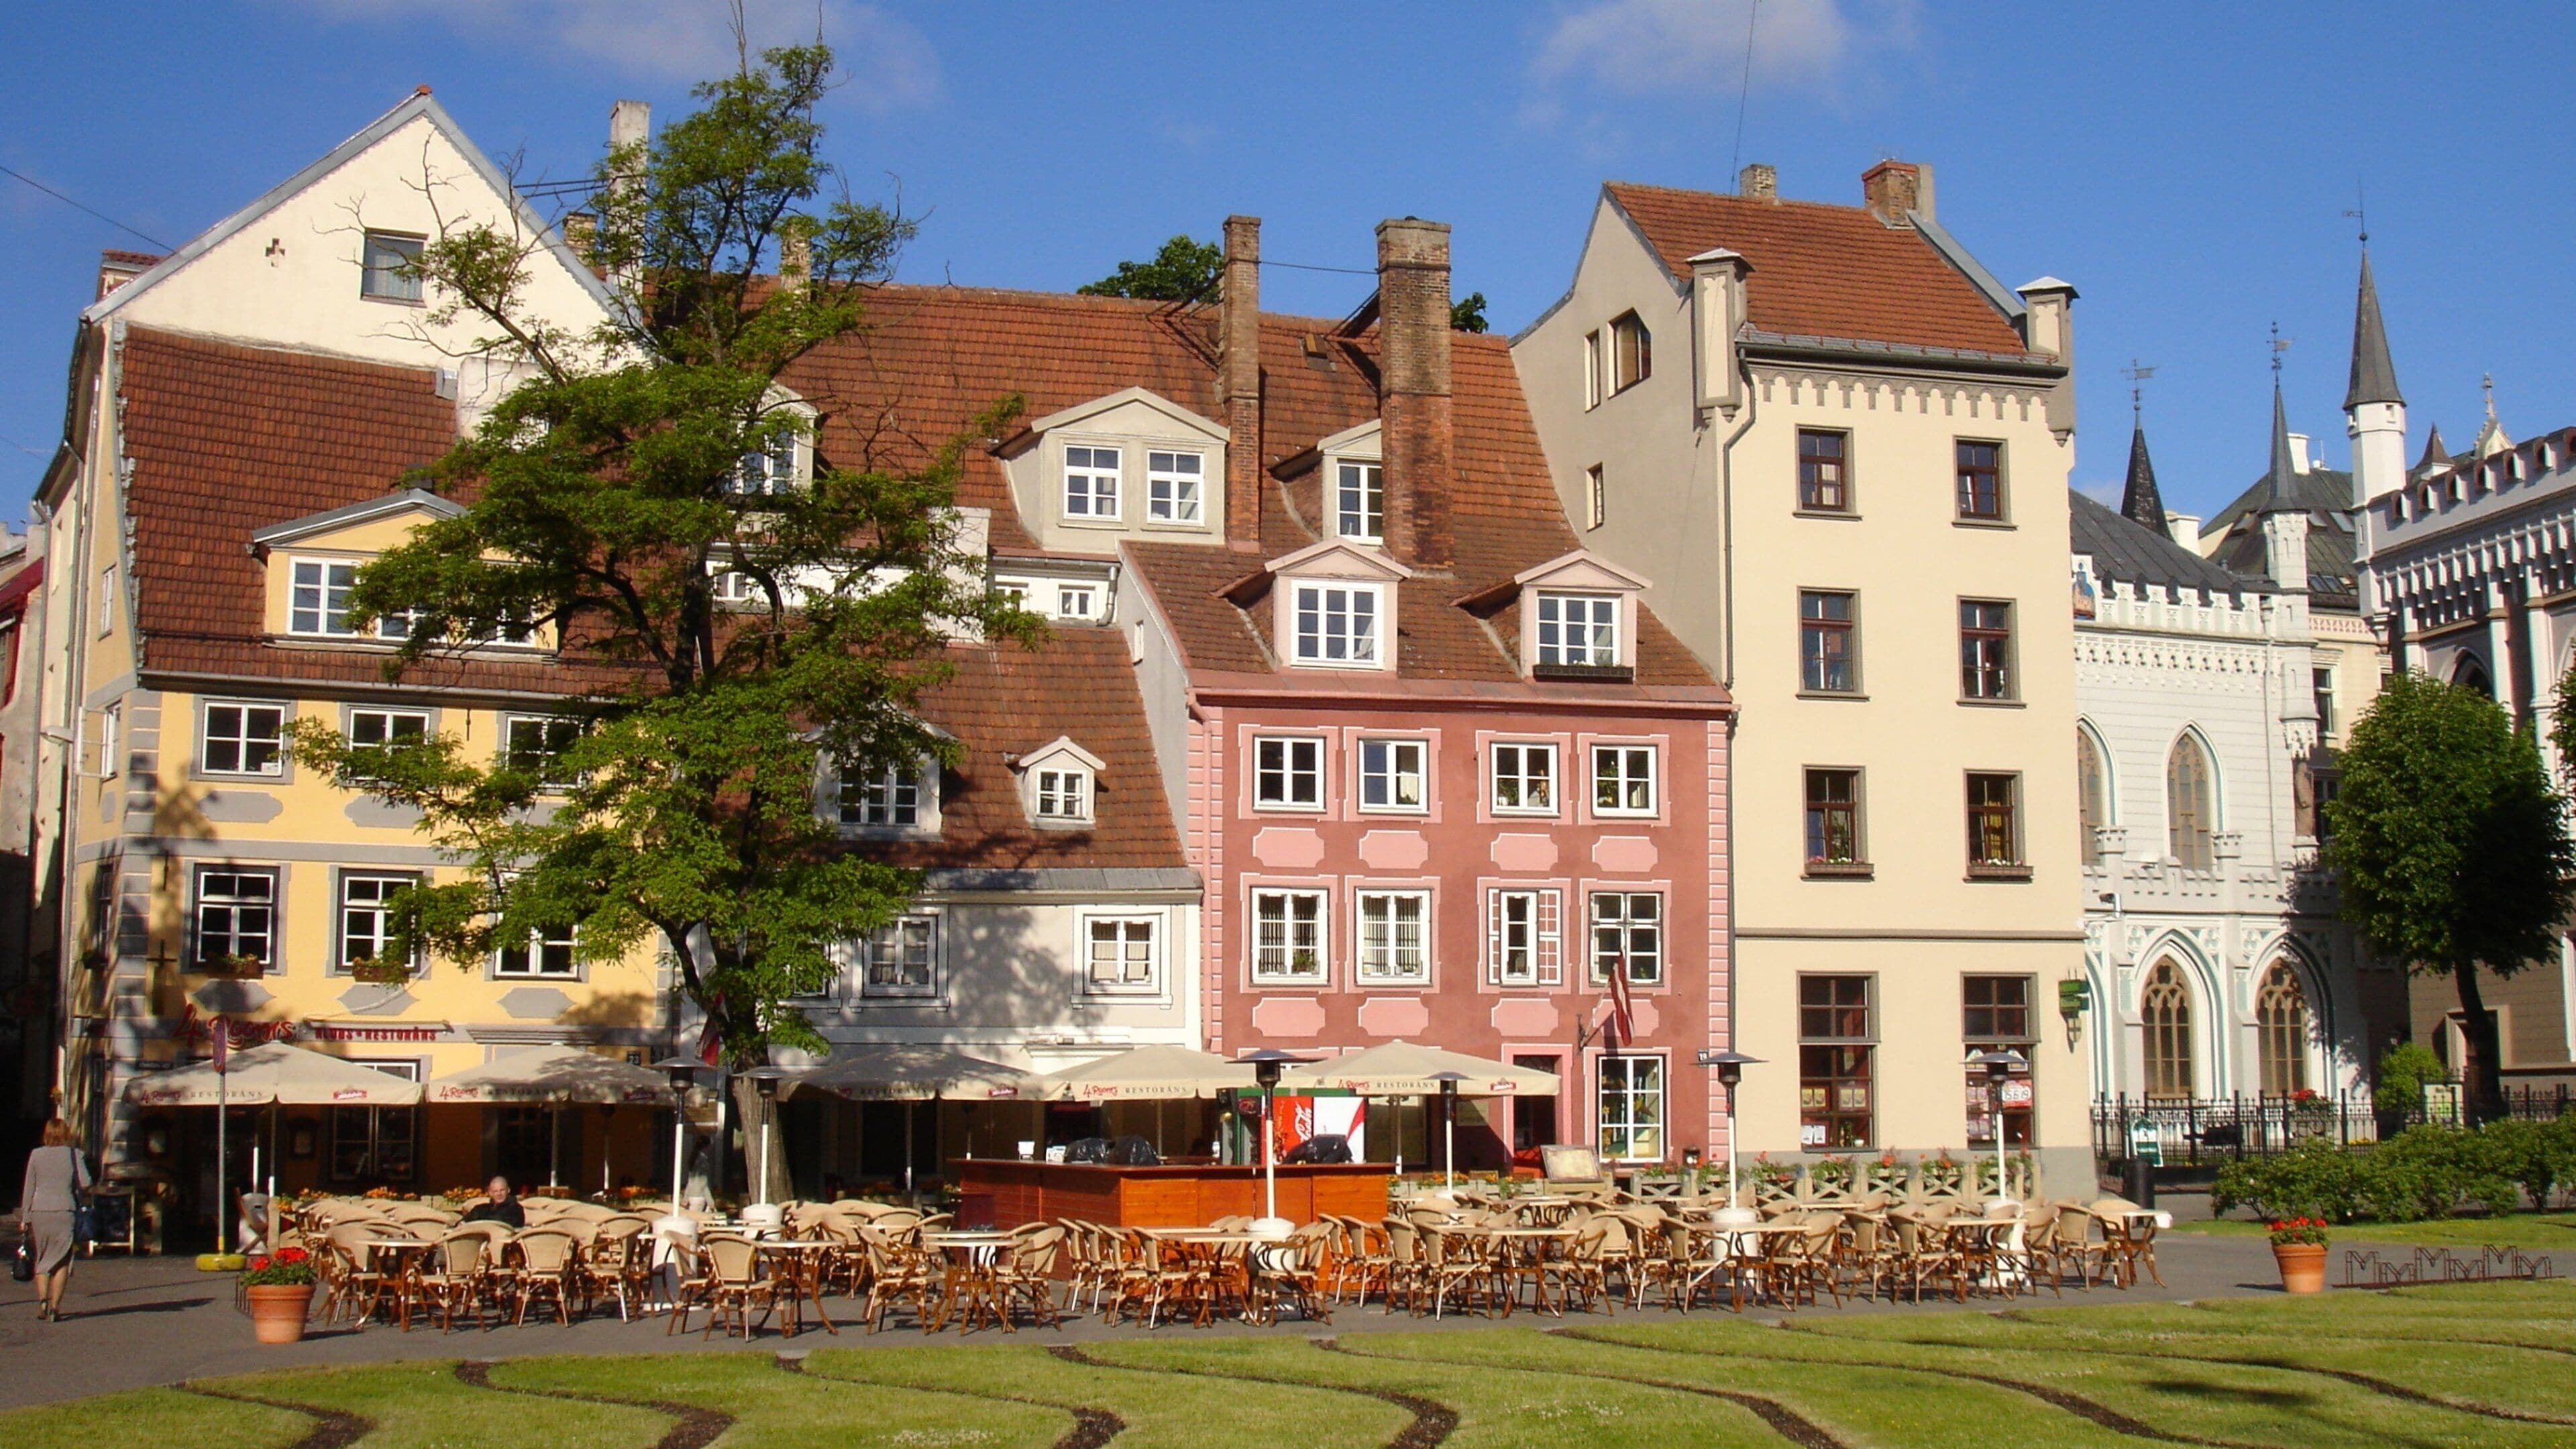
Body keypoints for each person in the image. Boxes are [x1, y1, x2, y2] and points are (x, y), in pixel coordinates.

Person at [17, 1119, 91, 1323]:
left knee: (42, 1258)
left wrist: (26, 1217)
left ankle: (42, 1300)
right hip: (64, 1210)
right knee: (63, 1260)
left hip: (40, 1210)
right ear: (66, 1133)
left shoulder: (36, 1155)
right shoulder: (73, 1154)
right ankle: (56, 1306)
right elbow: (86, 1183)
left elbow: (29, 1187)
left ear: (47, 1134)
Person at [460, 1175, 525, 1229]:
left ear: (508, 1190)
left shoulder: (516, 1209)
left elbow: (504, 1224)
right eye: (495, 1191)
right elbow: (465, 1221)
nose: (499, 1194)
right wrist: (462, 1224)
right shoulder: (481, 1209)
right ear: (490, 1193)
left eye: (502, 1190)